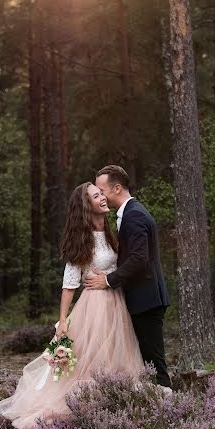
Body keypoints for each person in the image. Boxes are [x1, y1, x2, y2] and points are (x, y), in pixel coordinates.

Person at [0, 182, 143, 429]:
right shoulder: (81, 241)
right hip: (94, 307)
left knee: (116, 357)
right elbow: (69, 285)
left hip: (116, 304)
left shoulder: (111, 231)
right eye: (96, 196)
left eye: (101, 193)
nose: (103, 198)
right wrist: (62, 322)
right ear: (86, 206)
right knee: (90, 361)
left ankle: (112, 403)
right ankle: (87, 408)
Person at [85, 165, 172, 391]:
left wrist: (108, 280)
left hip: (146, 300)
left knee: (154, 363)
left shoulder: (134, 216)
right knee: (146, 360)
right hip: (143, 299)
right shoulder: (129, 213)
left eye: (102, 190)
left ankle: (168, 404)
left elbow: (138, 259)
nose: (101, 196)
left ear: (116, 188)